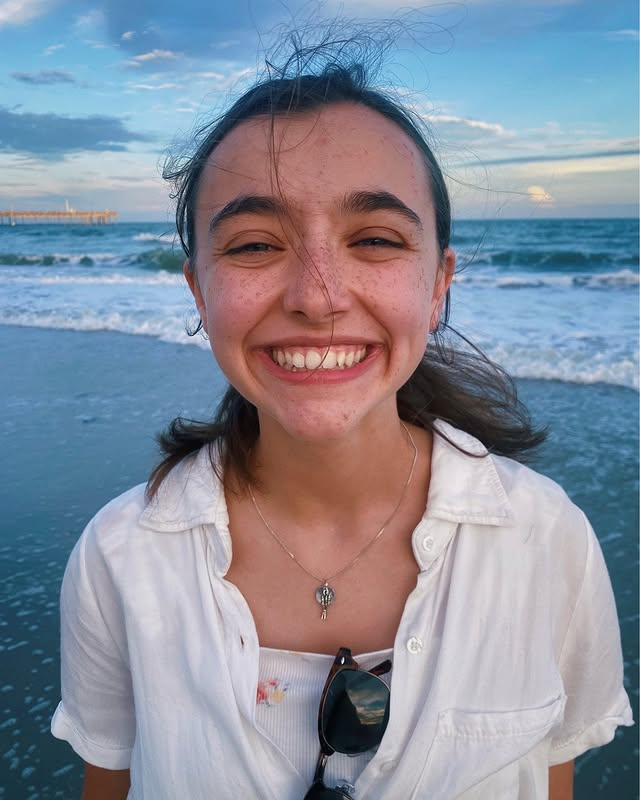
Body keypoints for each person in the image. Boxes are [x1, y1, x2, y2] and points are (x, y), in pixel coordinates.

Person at [51, 39, 632, 800]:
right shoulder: (121, 558)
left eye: (376, 239)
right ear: (198, 291)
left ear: (438, 285)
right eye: (255, 244)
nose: (318, 296)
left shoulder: (546, 539)